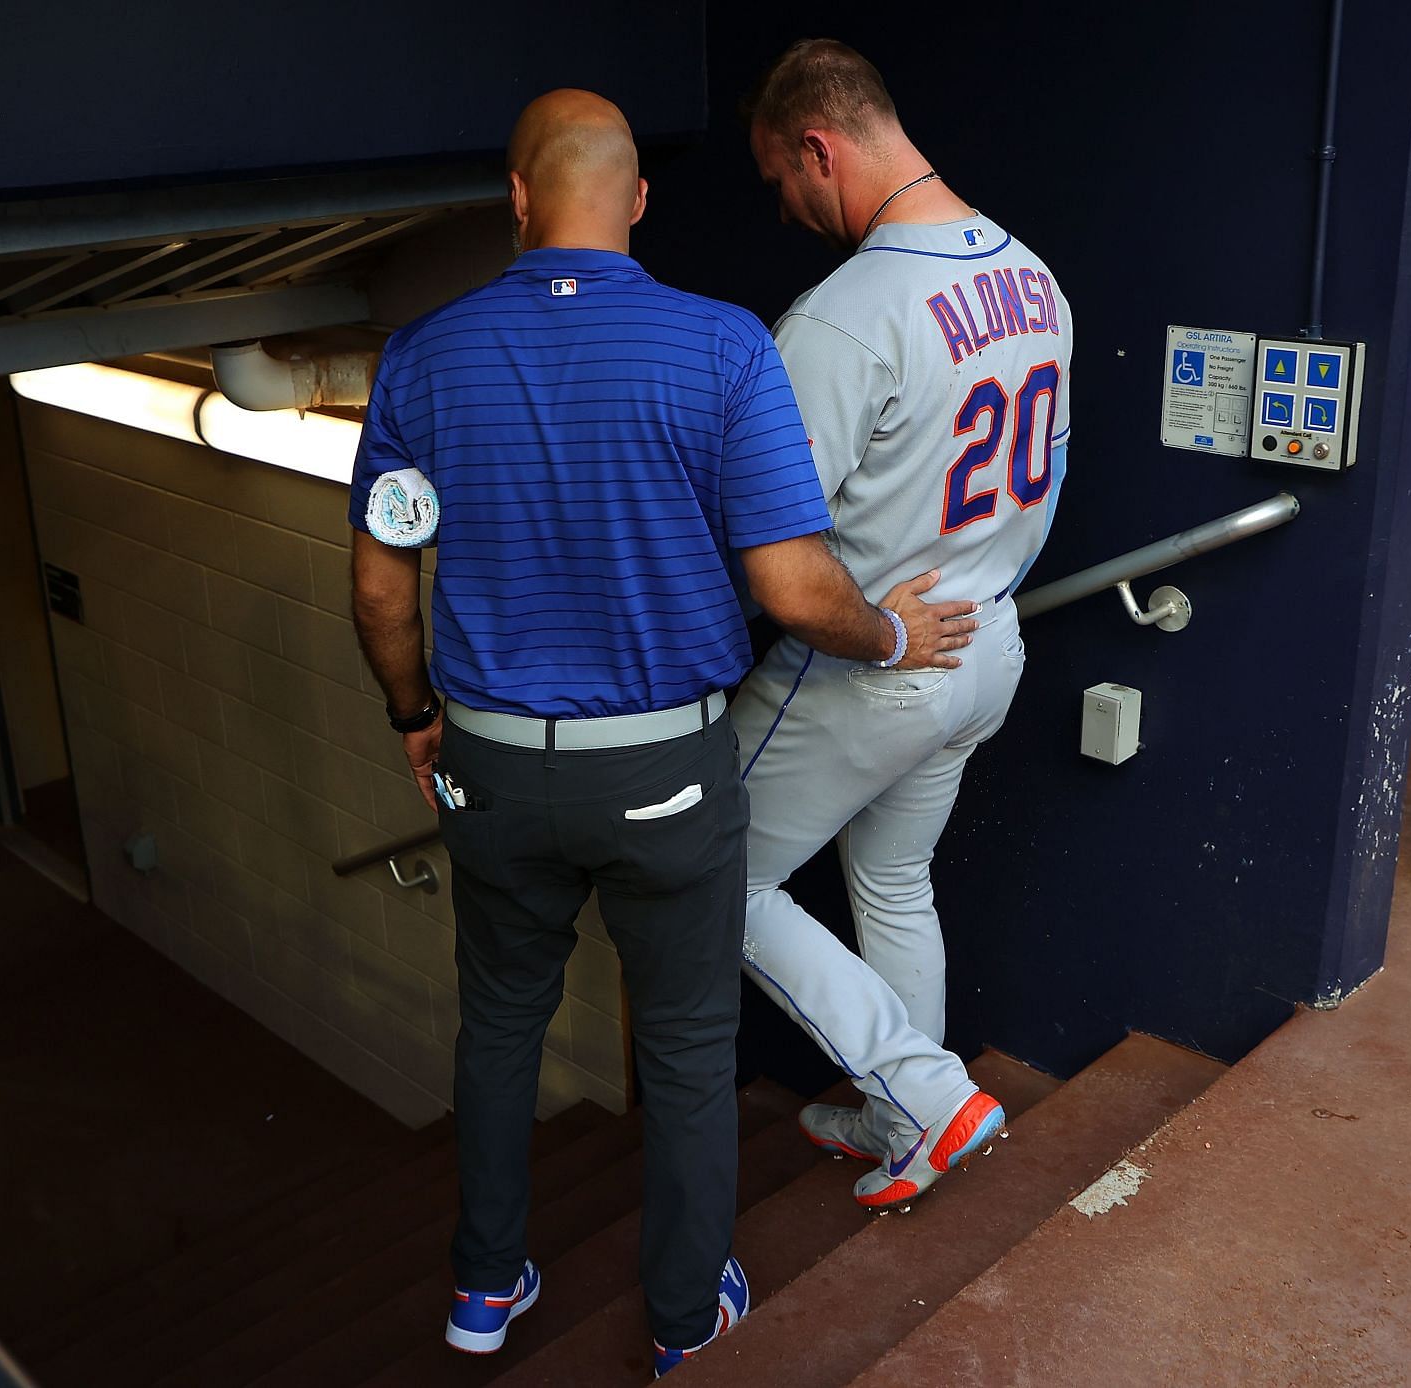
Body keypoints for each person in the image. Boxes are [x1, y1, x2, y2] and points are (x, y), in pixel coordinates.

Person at [349, 88, 975, 1376]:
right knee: (688, 1051)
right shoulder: (725, 347)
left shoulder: (417, 357)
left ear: (518, 199)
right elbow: (795, 588)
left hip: (490, 766)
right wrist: (904, 636)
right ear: (637, 201)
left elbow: (376, 583)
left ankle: (484, 1290)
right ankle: (689, 1319)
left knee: (500, 1026)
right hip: (668, 773)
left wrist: (416, 717)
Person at [732, 39, 1074, 1210]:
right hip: (990, 639)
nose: (785, 205)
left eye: (784, 177)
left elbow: (780, 566)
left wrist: (880, 628)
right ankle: (905, 1117)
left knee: (710, 873)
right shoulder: (1037, 277)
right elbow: (1047, 493)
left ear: (820, 146)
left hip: (877, 658)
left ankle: (927, 1099)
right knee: (894, 881)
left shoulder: (840, 316)